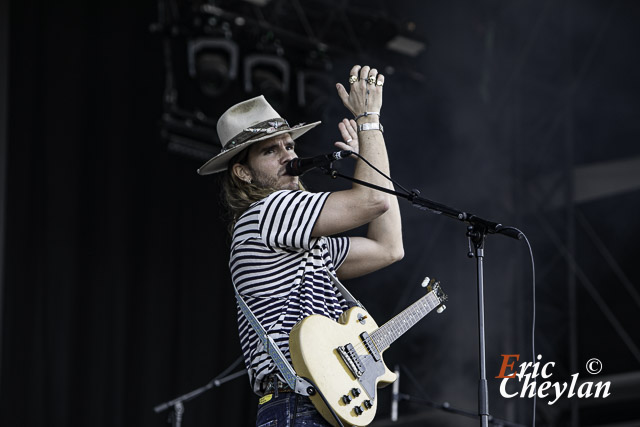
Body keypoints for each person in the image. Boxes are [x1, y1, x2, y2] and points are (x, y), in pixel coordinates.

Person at [198, 65, 404, 426]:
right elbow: (373, 202)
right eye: (269, 151)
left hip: (321, 405)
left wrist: (370, 154)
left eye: (289, 146)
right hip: (297, 405)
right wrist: (369, 119)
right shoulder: (267, 213)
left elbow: (389, 247)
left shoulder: (303, 236)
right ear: (243, 172)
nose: (287, 156)